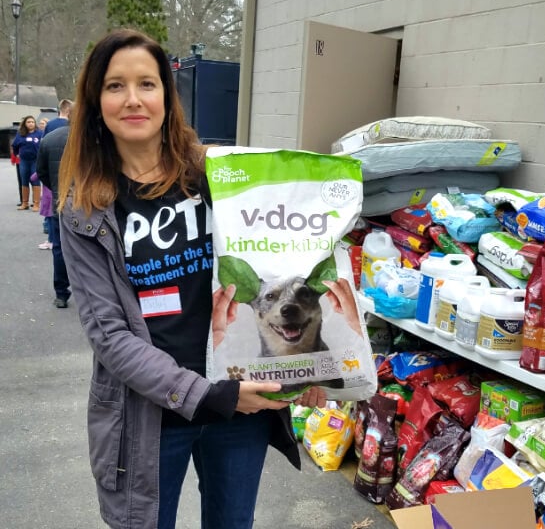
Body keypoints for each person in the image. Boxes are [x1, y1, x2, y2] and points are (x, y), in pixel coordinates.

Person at [57, 29, 326, 529]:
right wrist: (204, 395)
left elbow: (280, 270)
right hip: (151, 414)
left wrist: (305, 366)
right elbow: (110, 336)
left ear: (167, 95)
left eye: (147, 84)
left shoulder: (219, 175)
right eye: (115, 86)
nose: (133, 99)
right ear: (96, 101)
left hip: (240, 402)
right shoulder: (84, 208)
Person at [37, 125, 71, 305]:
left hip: (62, 201)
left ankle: (61, 293)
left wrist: (57, 188)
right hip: (90, 201)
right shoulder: (94, 136)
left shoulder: (49, 139)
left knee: (59, 248)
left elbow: (42, 172)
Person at [12, 115, 43, 211]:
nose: (31, 123)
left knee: (35, 180)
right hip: (24, 161)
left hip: (35, 161)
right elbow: (15, 145)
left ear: (35, 124)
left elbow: (44, 145)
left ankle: (36, 204)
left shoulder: (40, 133)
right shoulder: (20, 134)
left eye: (32, 122)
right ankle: (25, 203)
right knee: (24, 180)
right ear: (25, 124)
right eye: (28, 122)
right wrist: (16, 154)